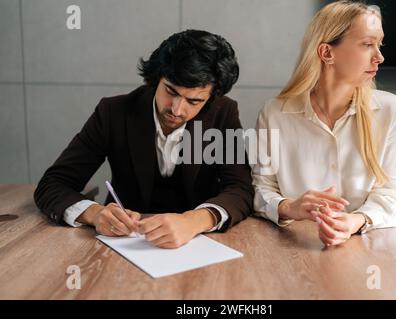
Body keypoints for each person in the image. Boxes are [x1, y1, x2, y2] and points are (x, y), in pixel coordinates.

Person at [34, 30, 254, 248]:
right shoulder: (112, 113)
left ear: (211, 98)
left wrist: (194, 221)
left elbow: (241, 188)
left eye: (194, 101)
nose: (177, 109)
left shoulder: (223, 113)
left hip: (199, 243)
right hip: (123, 244)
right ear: (157, 78)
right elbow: (53, 184)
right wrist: (94, 213)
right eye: (171, 91)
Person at [252, 1, 396, 247]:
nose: (380, 57)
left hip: (366, 245)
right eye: (368, 44)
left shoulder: (391, 110)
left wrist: (354, 221)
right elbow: (261, 188)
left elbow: (391, 191)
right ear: (327, 53)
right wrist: (289, 207)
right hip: (291, 247)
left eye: (379, 44)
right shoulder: (275, 113)